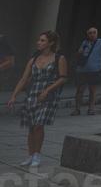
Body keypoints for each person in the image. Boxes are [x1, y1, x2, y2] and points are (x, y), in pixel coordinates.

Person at [5, 31, 68, 168]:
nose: (38, 42)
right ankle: (30, 155)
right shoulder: (33, 60)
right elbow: (23, 79)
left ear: (51, 43)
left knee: (39, 125)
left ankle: (37, 155)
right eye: (39, 40)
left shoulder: (59, 58)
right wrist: (14, 95)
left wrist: (47, 90)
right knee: (31, 127)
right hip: (32, 95)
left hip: (48, 96)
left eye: (42, 40)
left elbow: (63, 78)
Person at [71, 27, 101, 115]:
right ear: (87, 34)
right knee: (79, 90)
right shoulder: (84, 42)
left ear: (97, 34)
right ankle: (77, 109)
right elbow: (79, 54)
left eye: (94, 32)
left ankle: (91, 109)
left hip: (95, 70)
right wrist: (79, 52)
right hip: (82, 70)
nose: (92, 34)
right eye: (90, 33)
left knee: (92, 90)